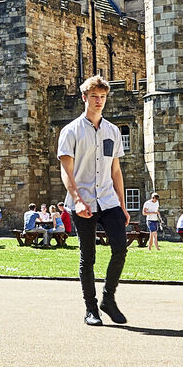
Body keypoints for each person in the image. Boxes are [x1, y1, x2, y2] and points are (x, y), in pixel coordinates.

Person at [58, 74, 130, 326]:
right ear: (84, 97)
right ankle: (91, 309)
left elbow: (116, 170)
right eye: (94, 96)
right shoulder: (71, 131)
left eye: (102, 97)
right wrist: (77, 200)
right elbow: (66, 171)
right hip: (83, 201)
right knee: (87, 257)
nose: (99, 101)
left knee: (120, 249)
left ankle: (108, 299)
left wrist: (122, 205)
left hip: (108, 201)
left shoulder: (113, 131)